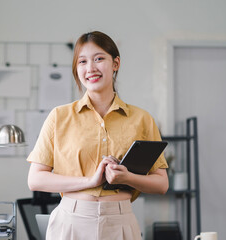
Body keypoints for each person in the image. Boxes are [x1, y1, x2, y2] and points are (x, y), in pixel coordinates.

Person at [27, 31, 169, 240]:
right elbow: (35, 179)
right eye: (82, 61)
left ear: (116, 63)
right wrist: (90, 181)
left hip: (120, 221)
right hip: (71, 222)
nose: (90, 68)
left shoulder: (142, 119)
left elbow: (162, 184)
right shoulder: (59, 116)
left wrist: (126, 177)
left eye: (99, 58)